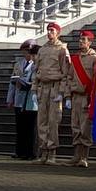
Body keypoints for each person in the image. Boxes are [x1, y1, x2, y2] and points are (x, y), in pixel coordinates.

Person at [32, 21, 70, 165]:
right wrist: (34, 90)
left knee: (53, 121)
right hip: (43, 88)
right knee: (42, 121)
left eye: (52, 30)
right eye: (48, 30)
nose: (49, 33)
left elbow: (65, 73)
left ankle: (52, 153)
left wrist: (62, 92)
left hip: (55, 88)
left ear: (58, 33)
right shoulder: (42, 50)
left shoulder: (62, 49)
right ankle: (43, 151)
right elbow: (37, 71)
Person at [65, 30, 96, 167]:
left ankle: (84, 156)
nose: (81, 42)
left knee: (85, 128)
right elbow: (69, 77)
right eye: (80, 39)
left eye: (84, 40)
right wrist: (67, 96)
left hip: (87, 97)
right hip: (75, 96)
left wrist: (93, 98)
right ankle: (76, 155)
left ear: (90, 42)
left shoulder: (95, 58)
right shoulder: (76, 59)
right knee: (75, 127)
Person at [8, 41, 39, 160]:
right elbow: (12, 82)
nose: (27, 55)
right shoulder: (18, 64)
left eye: (29, 52)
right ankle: (20, 150)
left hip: (31, 99)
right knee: (20, 127)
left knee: (30, 127)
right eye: (26, 52)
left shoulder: (36, 64)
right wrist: (10, 99)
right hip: (19, 98)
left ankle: (30, 152)